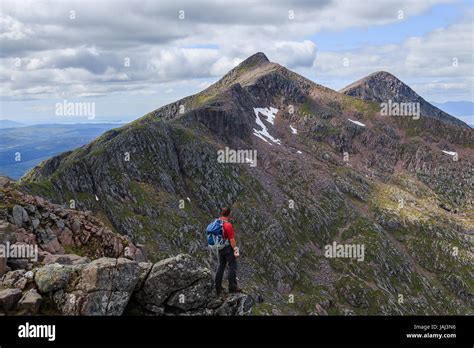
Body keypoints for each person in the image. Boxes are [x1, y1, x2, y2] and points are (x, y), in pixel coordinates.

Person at [215, 207, 242, 294]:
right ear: (229, 214)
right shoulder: (228, 225)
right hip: (227, 248)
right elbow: (232, 240)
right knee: (232, 265)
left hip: (219, 247)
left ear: (221, 213)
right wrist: (235, 249)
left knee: (221, 266)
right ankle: (232, 287)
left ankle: (217, 286)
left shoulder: (216, 223)